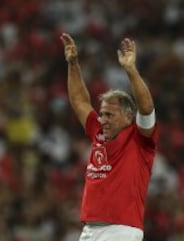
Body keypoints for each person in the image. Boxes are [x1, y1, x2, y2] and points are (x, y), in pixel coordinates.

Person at [60, 33, 158, 241]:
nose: (102, 119)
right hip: (90, 228)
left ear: (128, 116)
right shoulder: (98, 132)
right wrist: (73, 64)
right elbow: (79, 100)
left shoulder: (140, 138)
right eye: (102, 113)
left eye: (109, 115)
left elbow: (147, 108)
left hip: (120, 229)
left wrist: (131, 71)